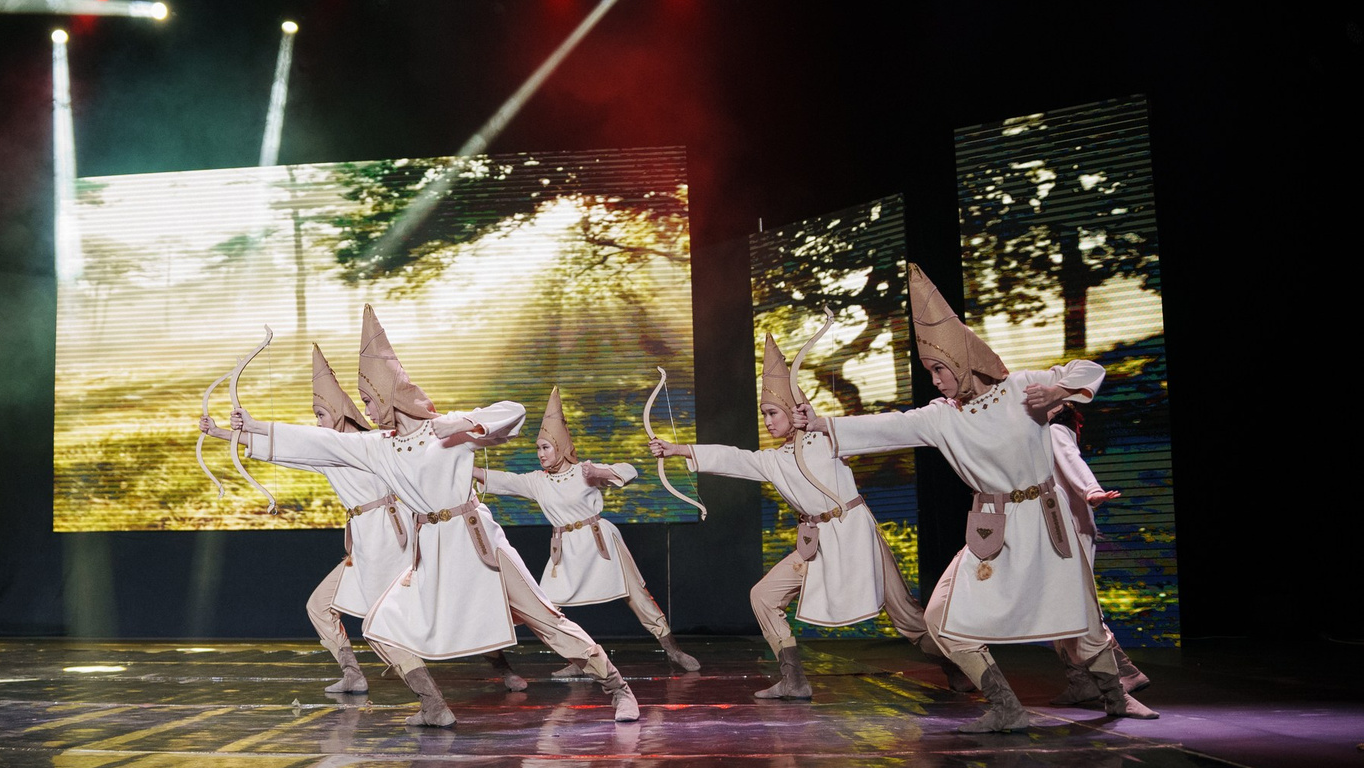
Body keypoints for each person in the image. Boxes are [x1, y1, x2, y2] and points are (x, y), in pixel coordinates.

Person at [220, 306, 641, 727]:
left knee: (546, 620)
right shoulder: (380, 446)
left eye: (368, 400)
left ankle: (618, 688)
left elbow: (512, 412)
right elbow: (323, 444)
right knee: (381, 625)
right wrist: (254, 426)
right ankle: (434, 705)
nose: (367, 411)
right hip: (433, 554)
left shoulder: (446, 431)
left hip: (479, 543)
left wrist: (463, 423)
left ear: (389, 395)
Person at [802, 266, 1155, 730]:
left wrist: (1058, 389)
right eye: (930, 371)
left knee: (1082, 618)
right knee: (941, 619)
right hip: (994, 529)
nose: (935, 380)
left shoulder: (1021, 390)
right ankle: (1007, 707)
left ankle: (1116, 698)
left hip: (1047, 523)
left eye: (939, 369)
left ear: (964, 360)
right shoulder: (942, 417)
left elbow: (1088, 369)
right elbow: (888, 426)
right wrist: (821, 423)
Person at [649, 336, 935, 700]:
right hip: (817, 544)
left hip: (854, 536)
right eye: (764, 415)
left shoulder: (829, 439)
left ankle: (961, 667)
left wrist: (821, 423)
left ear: (793, 410)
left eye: (774, 413)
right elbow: (734, 457)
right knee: (763, 596)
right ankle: (794, 680)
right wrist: (677, 449)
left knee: (906, 617)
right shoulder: (775, 460)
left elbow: (872, 431)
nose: (768, 421)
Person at [473, 385, 701, 678]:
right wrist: (464, 468)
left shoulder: (584, 471)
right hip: (565, 548)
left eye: (546, 447)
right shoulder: (538, 481)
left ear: (561, 446)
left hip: (599, 541)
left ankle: (673, 650)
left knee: (636, 595)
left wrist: (599, 473)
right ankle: (580, 658)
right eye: (538, 448)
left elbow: (629, 471)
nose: (540, 454)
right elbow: (503, 480)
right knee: (546, 607)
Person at [1046, 403, 1150, 704]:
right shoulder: (1041, 434)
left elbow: (1071, 459)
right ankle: (1081, 681)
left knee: (1076, 605)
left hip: (1070, 529)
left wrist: (1091, 489)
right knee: (1061, 609)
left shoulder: (1054, 431)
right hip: (1060, 530)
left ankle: (1124, 671)